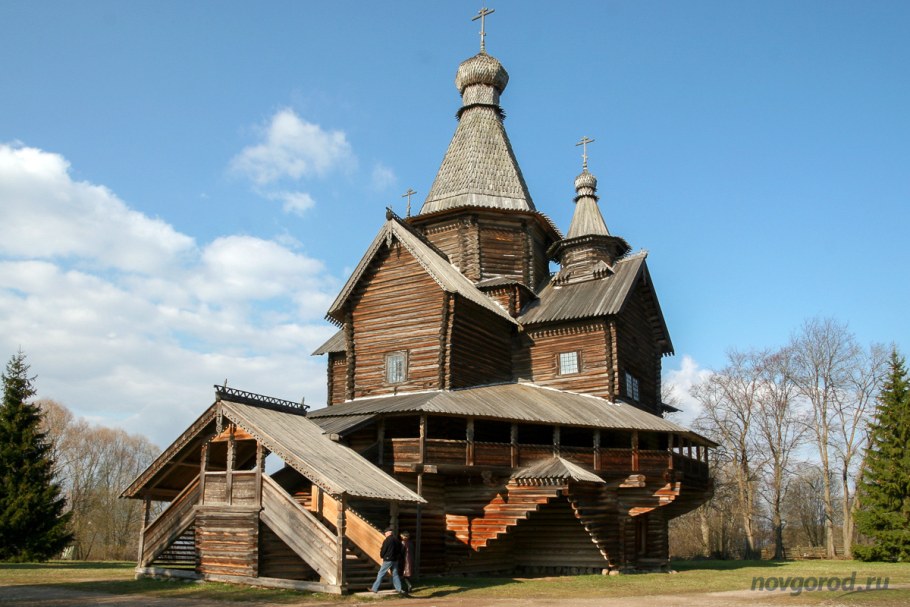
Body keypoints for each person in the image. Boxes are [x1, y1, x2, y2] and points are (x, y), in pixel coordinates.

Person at [371, 527, 404, 594]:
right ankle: (399, 589)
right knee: (395, 574)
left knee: (381, 573)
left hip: (388, 559)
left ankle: (374, 588)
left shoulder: (387, 540)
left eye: (385, 533)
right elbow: (401, 550)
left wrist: (382, 555)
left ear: (388, 533)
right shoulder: (397, 540)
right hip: (395, 559)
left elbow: (383, 550)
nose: (385, 534)